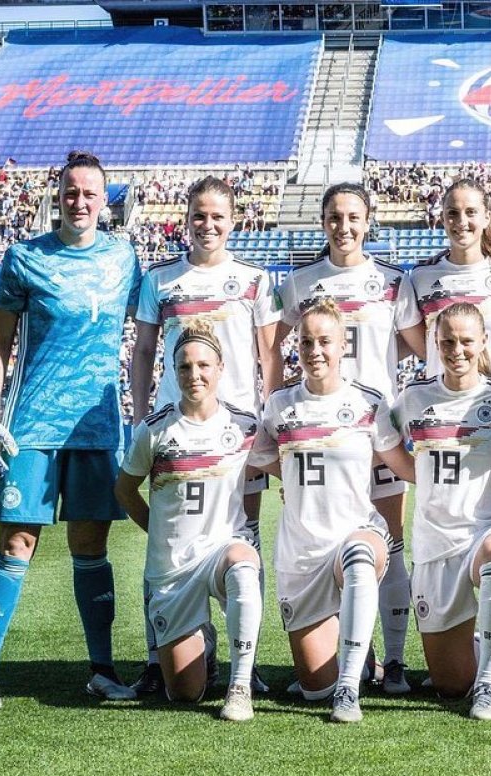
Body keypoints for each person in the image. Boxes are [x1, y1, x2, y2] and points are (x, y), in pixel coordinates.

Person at [0, 151, 142, 711]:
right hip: (32, 426)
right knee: (17, 544)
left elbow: (154, 325)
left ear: (105, 199)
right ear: (57, 196)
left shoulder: (125, 260)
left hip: (96, 427)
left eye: (90, 193)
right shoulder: (23, 259)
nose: (80, 201)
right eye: (71, 192)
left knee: (91, 545)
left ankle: (101, 669)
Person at [129, 176, 280, 694]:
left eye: (217, 216)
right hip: (177, 429)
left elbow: (269, 356)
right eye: (199, 215)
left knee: (246, 540)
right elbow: (145, 352)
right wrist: (140, 411)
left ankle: (247, 659)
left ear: (233, 220)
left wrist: (270, 420)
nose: (208, 225)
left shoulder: (255, 279)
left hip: (238, 434)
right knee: (167, 542)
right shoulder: (160, 280)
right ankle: (160, 656)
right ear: (185, 219)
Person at [274, 183, 426, 693]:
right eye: (334, 217)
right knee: (332, 542)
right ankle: (356, 657)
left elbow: (417, 347)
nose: (344, 226)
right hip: (316, 430)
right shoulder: (299, 283)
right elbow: (278, 351)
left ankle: (397, 661)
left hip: (373, 428)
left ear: (369, 222)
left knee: (390, 542)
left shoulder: (392, 281)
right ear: (323, 222)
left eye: (353, 216)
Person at [249, 299, 416, 723]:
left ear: (344, 346)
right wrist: (293, 475)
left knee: (360, 555)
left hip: (356, 534)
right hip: (302, 555)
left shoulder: (368, 403)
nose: (315, 350)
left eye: (325, 341)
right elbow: (260, 456)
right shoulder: (279, 405)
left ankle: (350, 690)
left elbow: (404, 466)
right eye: (306, 342)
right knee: (312, 689)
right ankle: (351, 661)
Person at [114, 323, 262, 721]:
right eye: (184, 367)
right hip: (173, 570)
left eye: (203, 365)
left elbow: (289, 467)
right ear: (172, 371)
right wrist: (158, 533)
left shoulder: (246, 428)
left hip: (220, 554)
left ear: (220, 368)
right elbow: (125, 491)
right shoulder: (154, 429)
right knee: (183, 693)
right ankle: (205, 647)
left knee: (244, 563)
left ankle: (240, 685)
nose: (194, 375)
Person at [391, 303, 491, 720]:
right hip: (434, 543)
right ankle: (482, 654)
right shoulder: (413, 399)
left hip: (487, 533)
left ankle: (489, 683)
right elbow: (386, 450)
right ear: (435, 342)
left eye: (467, 340)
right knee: (450, 685)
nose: (457, 349)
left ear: (483, 341)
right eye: (448, 341)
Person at [413, 178, 491, 389]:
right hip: (442, 402)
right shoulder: (421, 277)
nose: (461, 221)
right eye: (452, 213)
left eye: (471, 212)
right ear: (442, 218)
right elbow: (417, 344)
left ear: (487, 217)